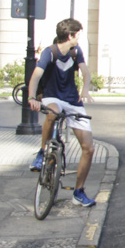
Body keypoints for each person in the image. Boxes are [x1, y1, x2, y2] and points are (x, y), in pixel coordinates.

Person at [27, 18, 97, 207]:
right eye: (78, 35)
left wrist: (85, 90)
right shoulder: (50, 53)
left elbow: (85, 72)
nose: (79, 38)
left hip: (72, 100)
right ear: (70, 36)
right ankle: (42, 153)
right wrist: (32, 97)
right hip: (53, 97)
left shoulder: (76, 52)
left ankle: (78, 192)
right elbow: (36, 76)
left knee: (89, 148)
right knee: (52, 114)